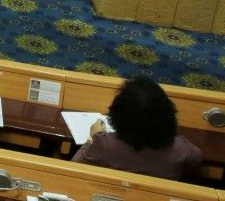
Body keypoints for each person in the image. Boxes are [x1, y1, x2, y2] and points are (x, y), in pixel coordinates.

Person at [72, 76, 202, 180]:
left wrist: (91, 138)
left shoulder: (103, 144)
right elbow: (197, 158)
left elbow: (74, 166)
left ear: (118, 115)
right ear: (168, 114)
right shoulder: (182, 151)